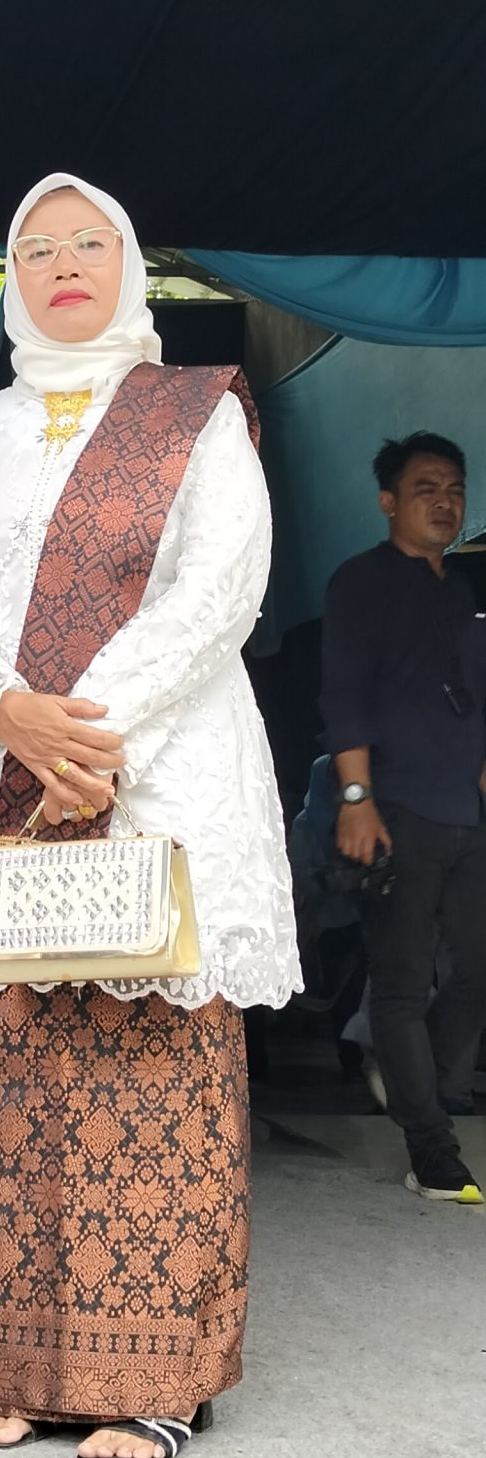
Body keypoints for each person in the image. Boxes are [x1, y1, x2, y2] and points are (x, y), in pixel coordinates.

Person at [0, 175, 298, 1458]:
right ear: (13, 280)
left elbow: (219, 587)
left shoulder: (195, 417)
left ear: (128, 269)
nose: (64, 263)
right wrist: (2, 710)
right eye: (38, 248)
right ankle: (23, 1372)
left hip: (154, 782)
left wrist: (83, 735)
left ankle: (155, 1382)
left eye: (89, 244)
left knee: (154, 1082)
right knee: (3, 1078)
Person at [321, 432, 486, 1203]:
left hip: (467, 812)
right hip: (396, 809)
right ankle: (432, 1149)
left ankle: (406, 1071)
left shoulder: (464, 591)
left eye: (454, 488)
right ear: (389, 501)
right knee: (404, 981)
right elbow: (344, 695)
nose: (444, 501)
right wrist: (357, 800)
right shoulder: (361, 581)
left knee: (477, 972)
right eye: (426, 488)